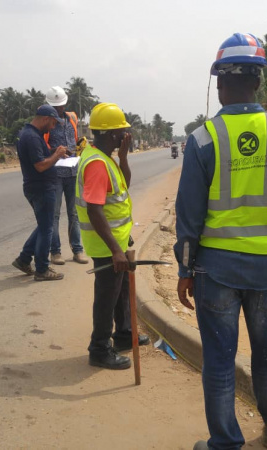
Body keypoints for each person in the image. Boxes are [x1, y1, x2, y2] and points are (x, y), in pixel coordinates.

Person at [174, 33, 267, 450]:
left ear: (219, 84)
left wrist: (184, 270)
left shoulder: (202, 139)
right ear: (258, 81)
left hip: (216, 270)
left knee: (218, 358)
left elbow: (189, 216)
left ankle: (226, 443)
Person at [76, 103, 150, 370]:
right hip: (106, 245)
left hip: (116, 241)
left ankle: (123, 335)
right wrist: (115, 250)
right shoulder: (96, 163)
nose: (125, 136)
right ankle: (99, 348)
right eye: (121, 132)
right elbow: (95, 209)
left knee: (120, 292)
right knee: (107, 296)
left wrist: (124, 158)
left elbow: (124, 185)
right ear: (109, 135)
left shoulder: (106, 158)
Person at [12, 105, 68, 281]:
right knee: (46, 229)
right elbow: (40, 165)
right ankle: (42, 269)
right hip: (41, 188)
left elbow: (40, 157)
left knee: (45, 225)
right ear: (45, 119)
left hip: (37, 187)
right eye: (52, 123)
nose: (52, 127)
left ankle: (24, 259)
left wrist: (52, 152)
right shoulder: (32, 137)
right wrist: (57, 155)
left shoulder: (30, 134)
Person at [44, 86, 88, 265]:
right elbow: (42, 147)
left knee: (74, 213)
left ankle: (77, 250)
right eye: (56, 107)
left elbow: (75, 139)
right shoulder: (46, 123)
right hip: (55, 173)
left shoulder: (72, 118)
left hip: (72, 172)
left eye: (61, 106)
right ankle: (55, 252)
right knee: (54, 214)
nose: (59, 109)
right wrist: (55, 151)